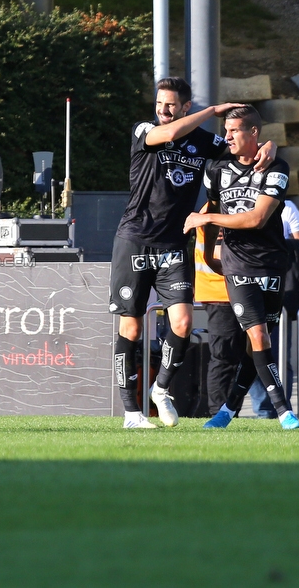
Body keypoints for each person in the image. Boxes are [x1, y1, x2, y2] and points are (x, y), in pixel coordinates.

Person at [110, 76, 276, 429]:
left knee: (183, 323)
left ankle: (160, 389)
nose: (163, 110)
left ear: (185, 106)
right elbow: (169, 135)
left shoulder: (204, 142)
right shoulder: (145, 130)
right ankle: (130, 413)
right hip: (134, 240)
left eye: (170, 104)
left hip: (173, 244)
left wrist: (270, 147)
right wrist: (213, 111)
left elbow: (241, 148)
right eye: (160, 103)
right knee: (132, 328)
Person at [184, 104, 299, 430]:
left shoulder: (276, 166)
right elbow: (212, 214)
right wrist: (209, 256)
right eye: (226, 131)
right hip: (237, 267)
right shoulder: (217, 169)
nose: (227, 137)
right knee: (259, 335)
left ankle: (227, 411)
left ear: (254, 133)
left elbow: (257, 218)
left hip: (273, 264)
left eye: (234, 131)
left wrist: (207, 216)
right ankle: (284, 412)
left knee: (257, 345)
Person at [248, 198, 299, 416]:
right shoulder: (240, 201)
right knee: (254, 353)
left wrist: (271, 247)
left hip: (282, 290)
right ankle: (264, 410)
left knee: (280, 354)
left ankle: (283, 407)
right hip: (248, 287)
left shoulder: (287, 207)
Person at [193, 215, 247, 416]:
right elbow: (219, 252)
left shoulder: (225, 207)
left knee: (238, 356)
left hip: (233, 290)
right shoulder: (217, 210)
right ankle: (219, 413)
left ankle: (230, 411)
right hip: (220, 292)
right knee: (224, 355)